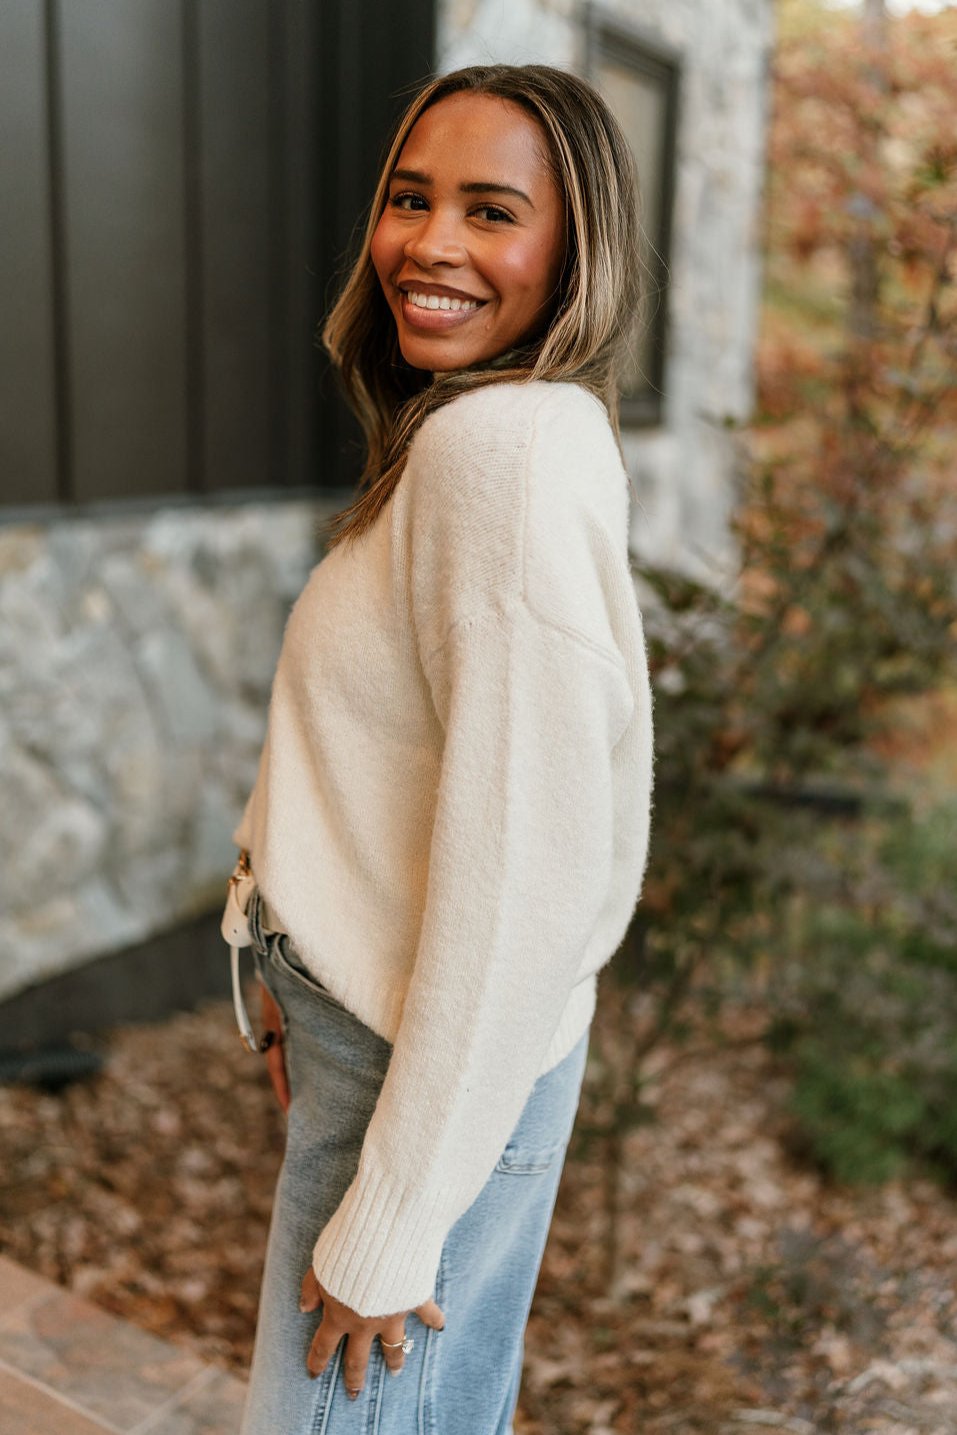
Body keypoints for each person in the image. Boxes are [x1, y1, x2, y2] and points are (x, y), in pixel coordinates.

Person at [229, 61, 655, 1435]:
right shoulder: (473, 436)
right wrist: (286, 961)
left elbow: (523, 886)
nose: (431, 245)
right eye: (410, 199)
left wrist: (391, 1227)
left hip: (422, 1081)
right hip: (405, 1056)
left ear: (572, 248)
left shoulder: (501, 461)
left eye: (491, 211)